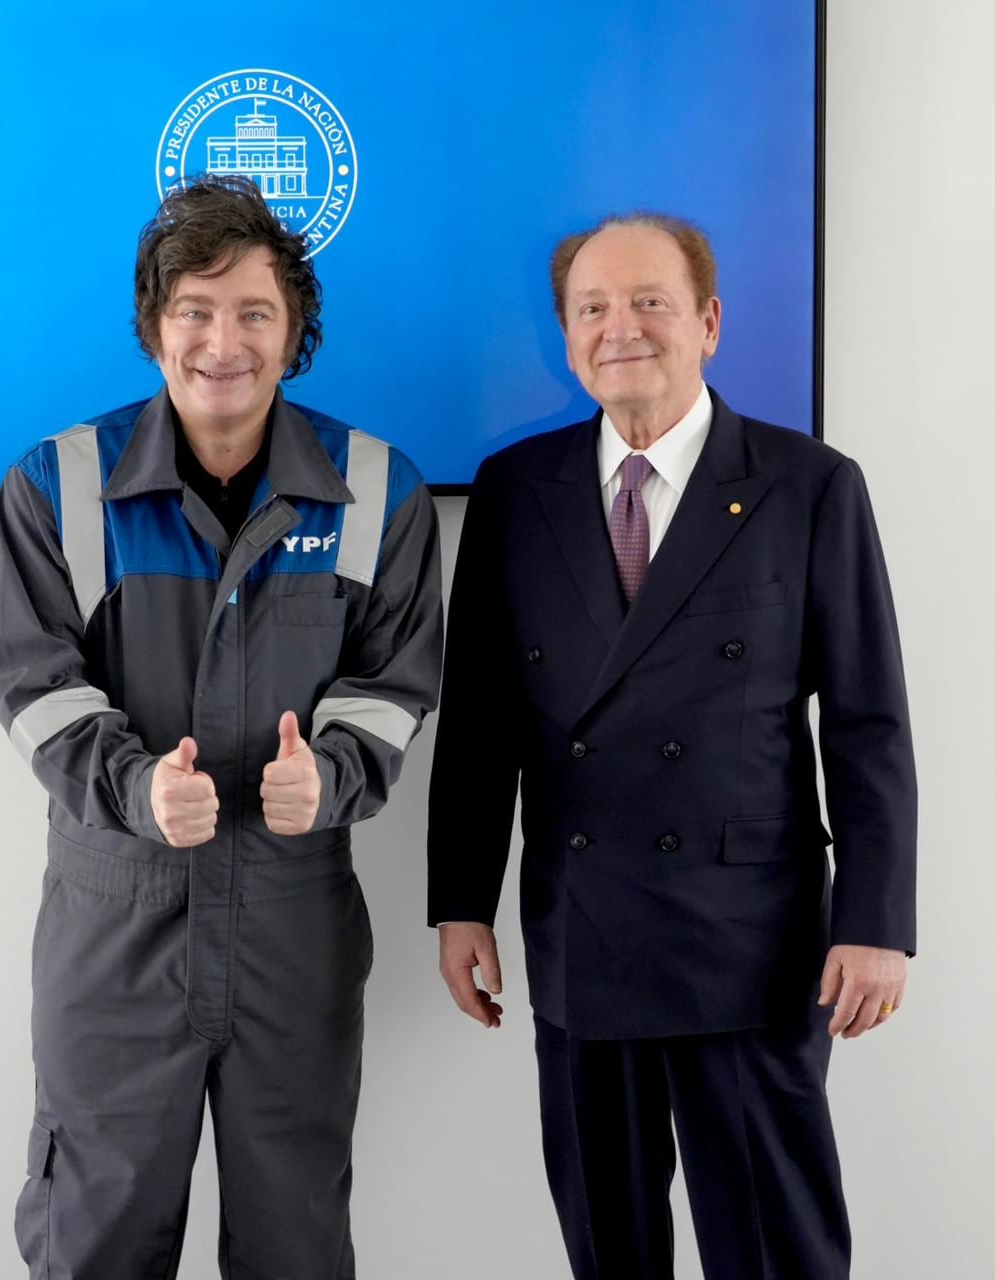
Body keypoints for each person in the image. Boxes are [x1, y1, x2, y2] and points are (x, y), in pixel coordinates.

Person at [427, 213, 916, 1279]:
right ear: (566, 337)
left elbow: (870, 723)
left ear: (708, 321)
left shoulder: (810, 485)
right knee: (609, 1246)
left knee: (776, 1249)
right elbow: (479, 722)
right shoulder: (516, 490)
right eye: (593, 308)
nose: (621, 328)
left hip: (753, 939)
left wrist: (877, 918)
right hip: (580, 929)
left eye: (649, 301)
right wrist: (461, 898)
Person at [0, 173, 442, 1279]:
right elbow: (35, 685)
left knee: (295, 1246)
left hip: (293, 930)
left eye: (253, 312)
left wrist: (329, 775)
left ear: (295, 335)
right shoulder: (58, 487)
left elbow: (397, 681)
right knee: (93, 1238)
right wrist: (136, 785)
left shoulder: (377, 490)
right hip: (118, 934)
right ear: (153, 326)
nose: (220, 341)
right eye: (193, 309)